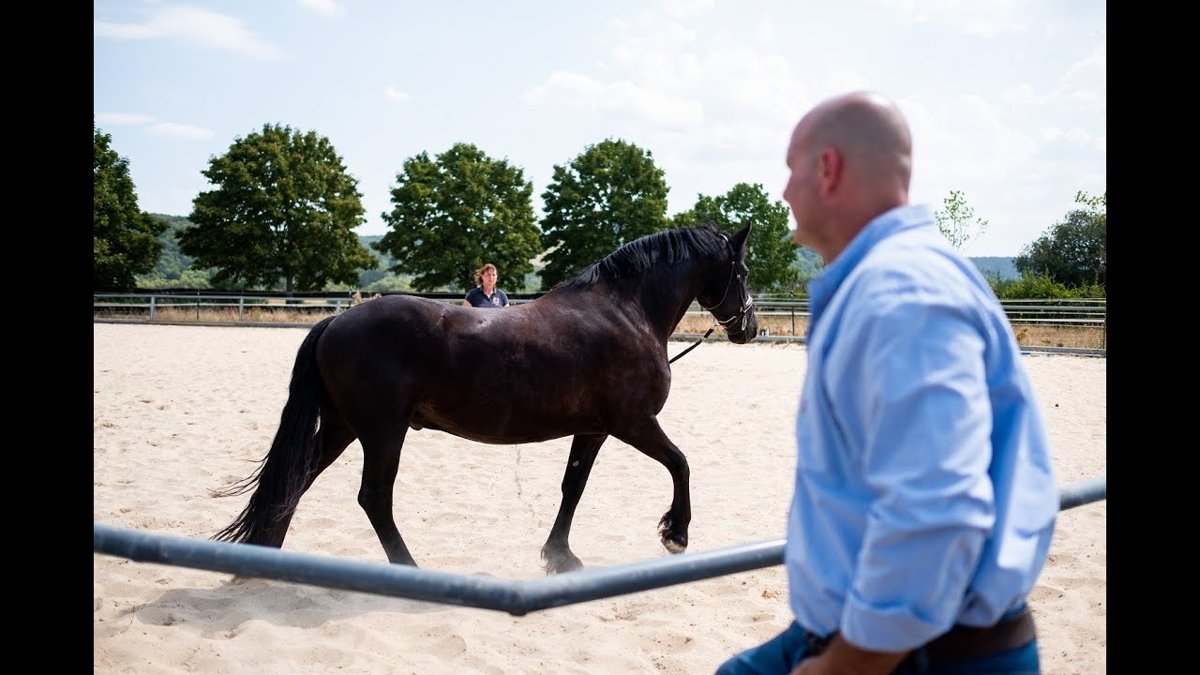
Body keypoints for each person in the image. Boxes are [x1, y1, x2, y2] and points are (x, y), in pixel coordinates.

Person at [716, 91, 1058, 674]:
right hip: (884, 636)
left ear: (827, 169)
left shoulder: (898, 294)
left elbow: (938, 507)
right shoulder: (903, 278)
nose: (783, 192)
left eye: (790, 168)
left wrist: (843, 667)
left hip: (916, 654)